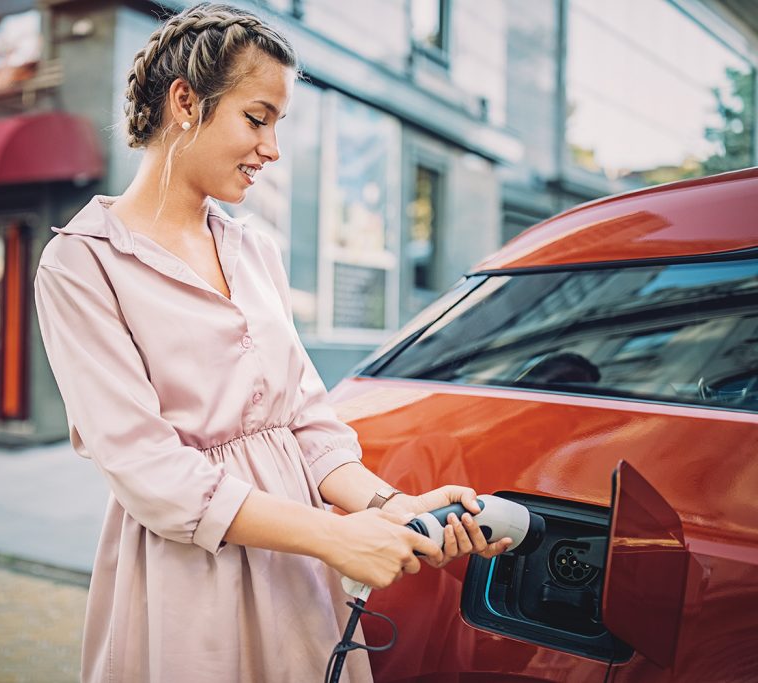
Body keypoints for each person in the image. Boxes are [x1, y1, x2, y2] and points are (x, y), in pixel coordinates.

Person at [33, 4, 511, 681]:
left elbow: (306, 422)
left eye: (278, 125)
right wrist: (334, 536)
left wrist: (385, 506)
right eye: (258, 118)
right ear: (184, 103)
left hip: (298, 570)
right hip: (190, 574)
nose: (272, 149)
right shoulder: (82, 265)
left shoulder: (255, 249)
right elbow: (147, 468)